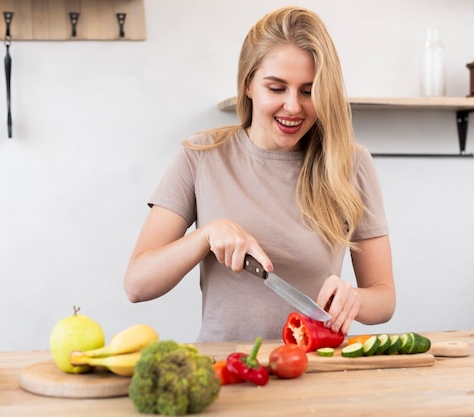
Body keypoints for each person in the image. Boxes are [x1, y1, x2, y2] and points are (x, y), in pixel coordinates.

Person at [124, 6, 396, 342]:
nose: (294, 106)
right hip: (225, 370)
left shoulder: (351, 163)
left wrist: (355, 300)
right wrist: (205, 236)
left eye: (309, 91)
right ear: (249, 84)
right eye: (277, 88)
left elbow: (383, 299)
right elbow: (137, 284)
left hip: (314, 370)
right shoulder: (201, 156)